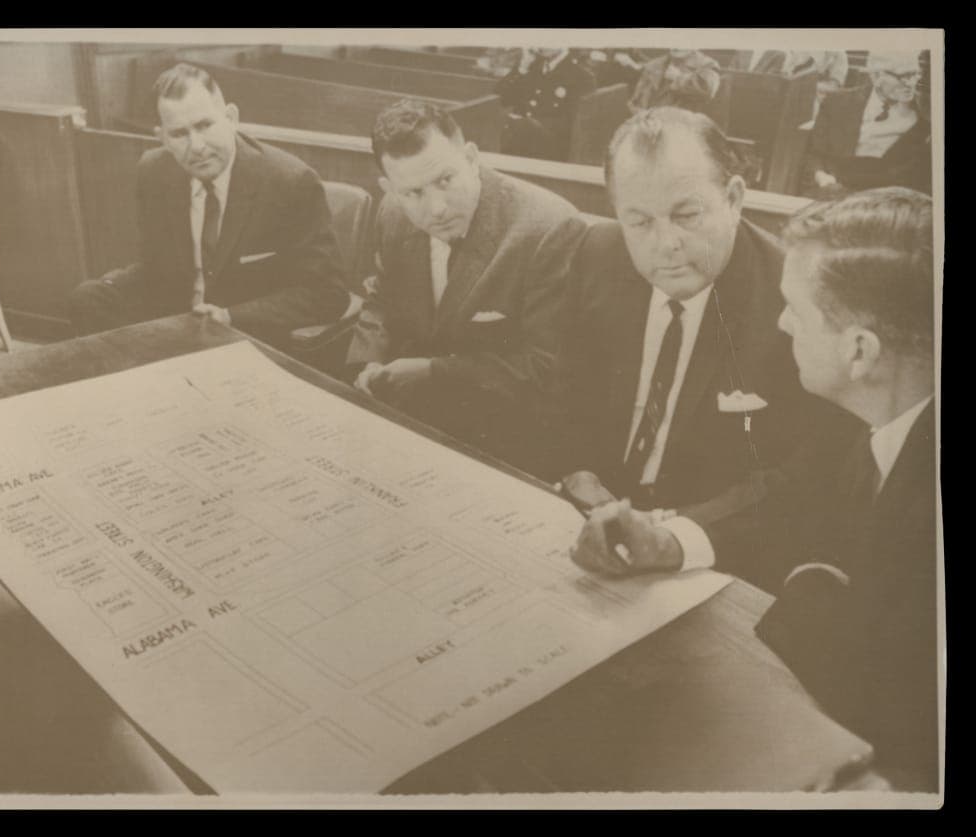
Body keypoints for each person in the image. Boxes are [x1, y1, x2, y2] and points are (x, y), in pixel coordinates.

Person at [570, 187, 938, 790]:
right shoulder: (871, 415)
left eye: (796, 308)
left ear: (859, 351)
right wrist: (670, 541)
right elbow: (794, 497)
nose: (782, 322)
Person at [543, 107, 826, 511]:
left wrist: (680, 536)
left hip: (708, 533)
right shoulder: (598, 253)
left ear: (734, 198)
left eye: (687, 215)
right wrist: (575, 469)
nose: (665, 244)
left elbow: (798, 470)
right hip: (595, 506)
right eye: (639, 222)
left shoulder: (791, 296)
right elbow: (568, 387)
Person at [347, 99, 587, 467]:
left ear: (472, 158)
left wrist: (432, 372)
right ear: (389, 187)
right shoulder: (393, 213)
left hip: (503, 434)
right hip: (411, 418)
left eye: (445, 180)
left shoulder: (548, 228)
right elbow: (381, 299)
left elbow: (545, 368)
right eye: (413, 193)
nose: (436, 208)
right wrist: (368, 363)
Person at [67, 63, 348, 344]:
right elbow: (155, 266)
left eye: (205, 125)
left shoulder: (290, 182)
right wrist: (109, 286)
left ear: (231, 117)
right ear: (161, 136)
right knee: (89, 297)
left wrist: (230, 316)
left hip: (244, 331)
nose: (197, 146)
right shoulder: (153, 172)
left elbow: (327, 294)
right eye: (179, 134)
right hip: (178, 319)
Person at [805, 52, 931, 197]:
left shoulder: (928, 113)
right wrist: (821, 176)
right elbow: (815, 153)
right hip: (836, 190)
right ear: (876, 76)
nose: (910, 83)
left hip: (890, 199)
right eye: (903, 76)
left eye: (915, 74)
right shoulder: (837, 103)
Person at [496, 47, 598, 161]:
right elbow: (503, 98)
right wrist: (521, 69)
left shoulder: (582, 76)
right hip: (516, 145)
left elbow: (573, 125)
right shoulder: (530, 66)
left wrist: (528, 124)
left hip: (549, 154)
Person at [628, 49, 721, 116]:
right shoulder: (655, 64)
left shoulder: (707, 65)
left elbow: (708, 90)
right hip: (649, 126)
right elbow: (636, 100)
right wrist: (642, 117)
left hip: (684, 130)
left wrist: (678, 78)